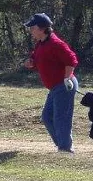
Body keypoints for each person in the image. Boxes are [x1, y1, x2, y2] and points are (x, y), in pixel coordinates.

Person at [22, 13, 79, 154]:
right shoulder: (41, 44)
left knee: (61, 118)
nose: (31, 31)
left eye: (33, 28)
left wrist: (67, 78)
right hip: (55, 88)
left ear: (42, 29)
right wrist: (30, 63)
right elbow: (37, 60)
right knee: (47, 117)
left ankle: (65, 149)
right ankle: (63, 146)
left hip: (64, 85)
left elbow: (71, 60)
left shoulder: (56, 43)